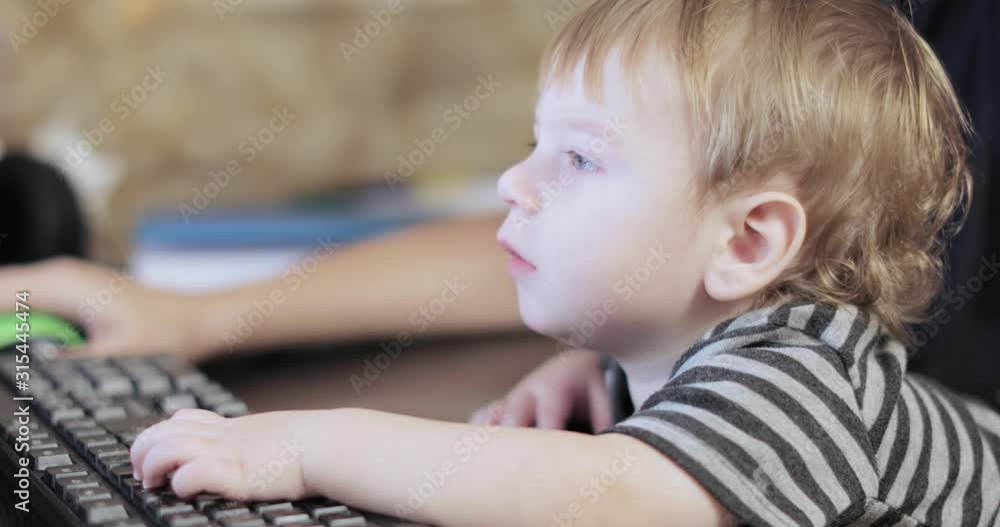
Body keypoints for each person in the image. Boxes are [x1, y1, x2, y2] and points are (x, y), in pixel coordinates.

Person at [125, 1, 1000, 525]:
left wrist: (306, 444)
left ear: (747, 243)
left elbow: (614, 498)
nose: (515, 182)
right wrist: (611, 360)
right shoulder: (710, 350)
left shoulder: (805, 385)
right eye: (534, 144)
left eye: (578, 158)